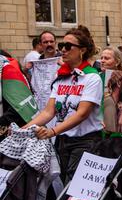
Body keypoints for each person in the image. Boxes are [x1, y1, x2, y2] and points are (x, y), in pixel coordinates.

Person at [23, 28, 103, 183]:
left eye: (68, 46)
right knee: (64, 184)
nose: (63, 50)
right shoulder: (61, 77)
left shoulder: (92, 77)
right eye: (62, 45)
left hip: (85, 141)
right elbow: (48, 112)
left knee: (74, 188)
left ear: (82, 50)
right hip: (63, 140)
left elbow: (82, 114)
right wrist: (23, 129)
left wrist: (52, 131)